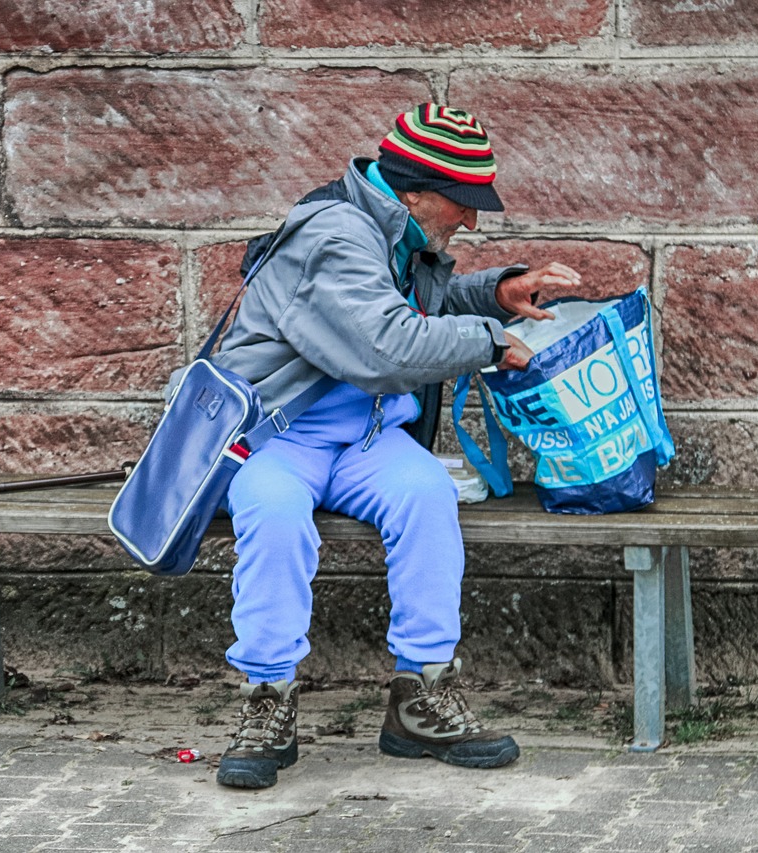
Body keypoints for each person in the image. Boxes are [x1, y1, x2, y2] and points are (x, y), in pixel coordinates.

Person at [207, 103, 582, 789]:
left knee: (427, 495)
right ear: (412, 188)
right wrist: (494, 342)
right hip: (280, 433)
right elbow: (387, 345)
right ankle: (267, 696)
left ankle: (421, 695)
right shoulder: (335, 234)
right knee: (273, 513)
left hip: (367, 434)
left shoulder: (393, 228)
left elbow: (414, 305)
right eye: (462, 202)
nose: (470, 219)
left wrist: (497, 295)